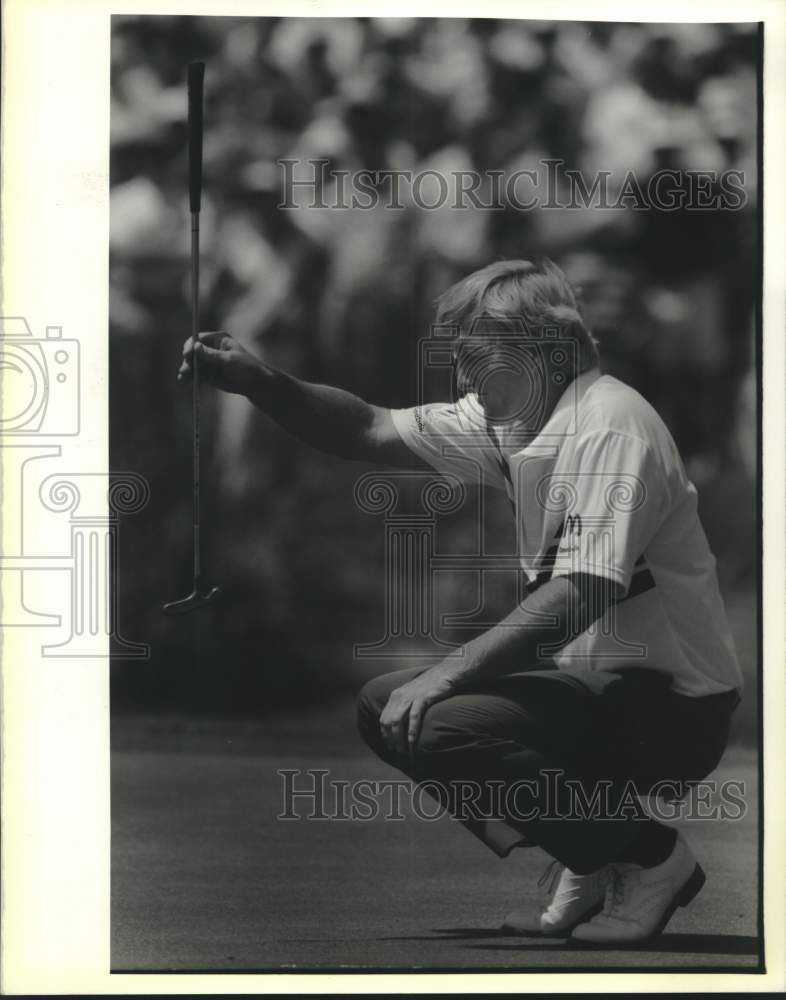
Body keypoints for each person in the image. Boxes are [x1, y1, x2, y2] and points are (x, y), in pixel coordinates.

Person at [177, 257, 742, 945]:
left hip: (677, 710)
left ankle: (649, 857)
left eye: (476, 356)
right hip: (605, 691)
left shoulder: (610, 426)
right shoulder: (515, 418)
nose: (461, 376)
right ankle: (594, 848)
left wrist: (447, 670)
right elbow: (366, 428)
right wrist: (259, 383)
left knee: (443, 719)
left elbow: (582, 592)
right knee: (387, 702)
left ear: (548, 353)